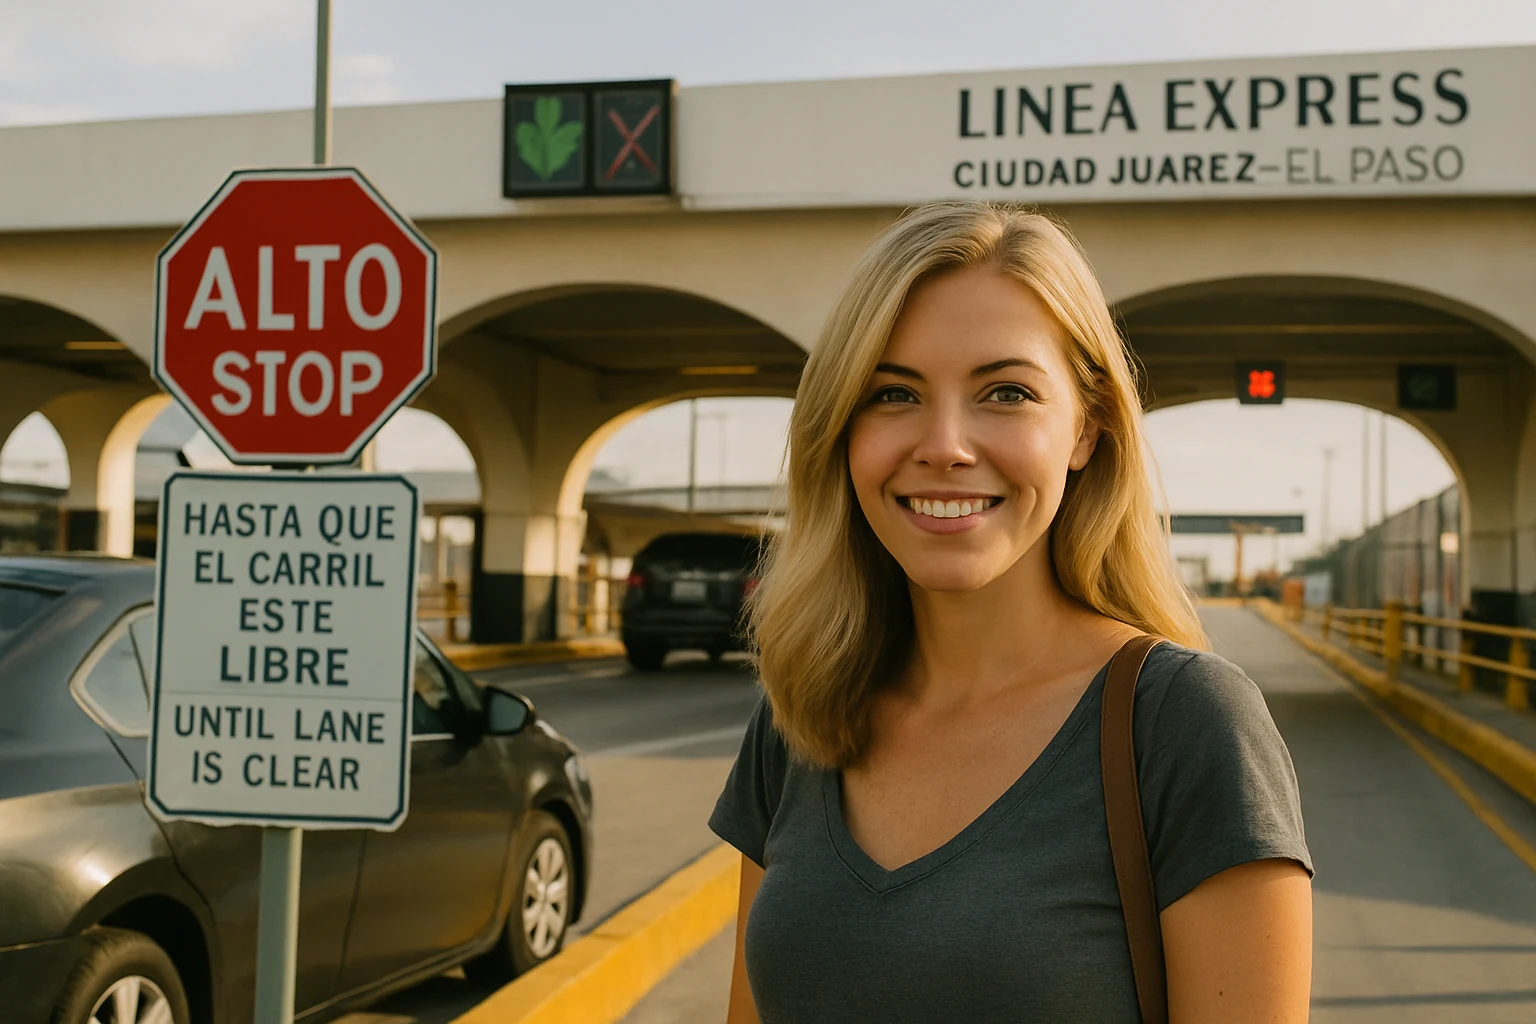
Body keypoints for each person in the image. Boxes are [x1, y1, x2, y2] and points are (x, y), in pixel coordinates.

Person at [710, 202, 1313, 1023]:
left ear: (1086, 431)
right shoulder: (803, 716)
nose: (946, 445)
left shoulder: (1182, 723)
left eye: (1006, 391)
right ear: (842, 429)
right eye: (893, 393)